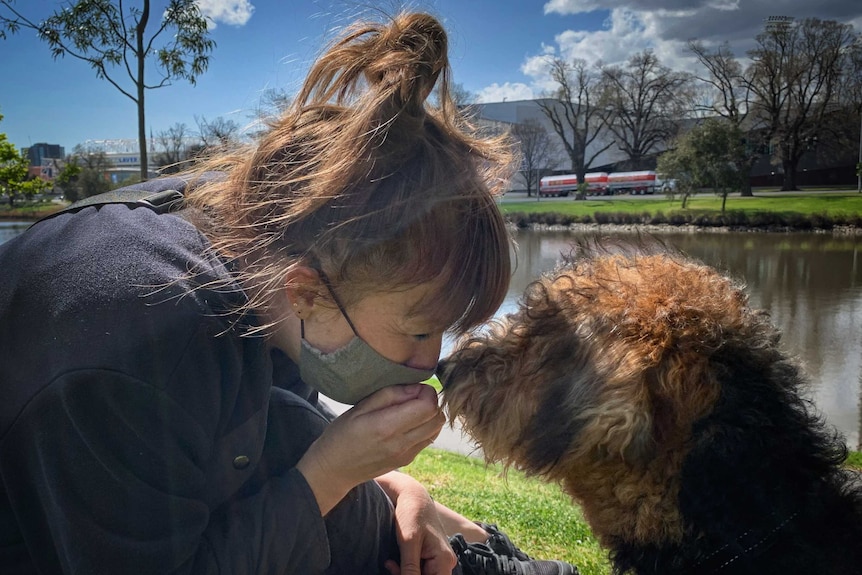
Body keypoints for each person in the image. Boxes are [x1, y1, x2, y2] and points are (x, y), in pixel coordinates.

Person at [0, 11, 578, 575]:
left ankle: (476, 552)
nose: (430, 363)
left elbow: (280, 421)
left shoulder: (269, 239)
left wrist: (394, 483)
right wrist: (332, 471)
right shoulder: (135, 336)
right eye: (419, 329)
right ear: (305, 292)